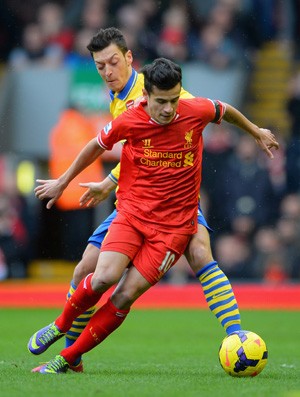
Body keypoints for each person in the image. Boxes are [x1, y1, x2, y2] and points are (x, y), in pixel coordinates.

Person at [29, 28, 275, 373]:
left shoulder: (167, 97)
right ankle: (71, 349)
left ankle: (236, 335)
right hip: (136, 202)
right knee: (90, 269)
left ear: (130, 59)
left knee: (200, 252)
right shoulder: (125, 104)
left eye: (113, 62)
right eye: (100, 66)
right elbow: (137, 150)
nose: (107, 71)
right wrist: (107, 182)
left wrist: (256, 130)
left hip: (175, 204)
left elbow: (194, 122)